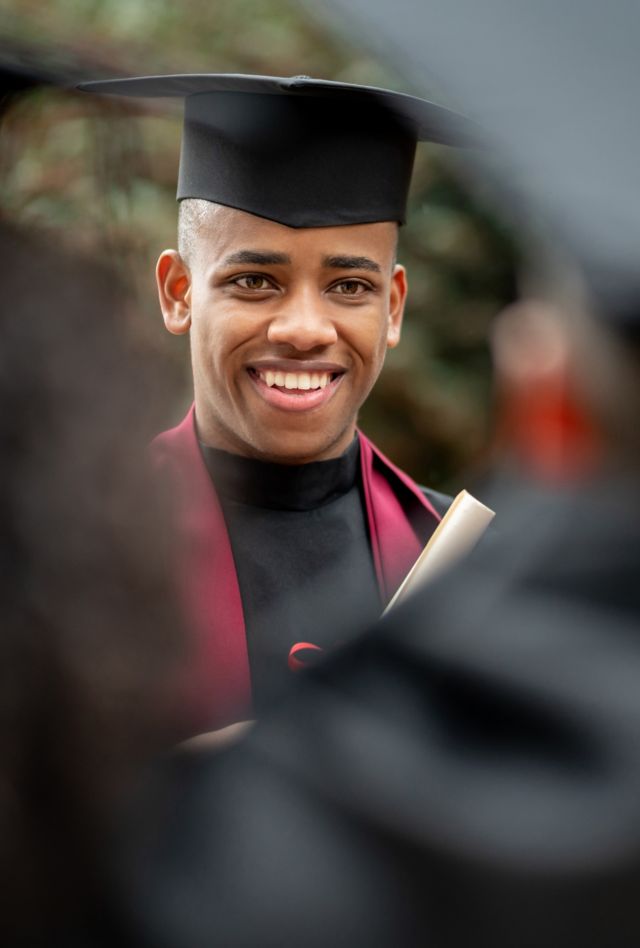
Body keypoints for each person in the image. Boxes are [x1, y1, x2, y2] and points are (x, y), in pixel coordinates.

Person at [80, 74, 471, 728]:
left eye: (349, 286)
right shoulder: (85, 549)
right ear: (179, 292)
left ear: (393, 307)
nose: (304, 329)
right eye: (254, 280)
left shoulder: (455, 563)